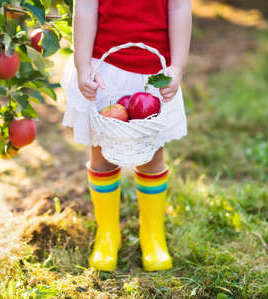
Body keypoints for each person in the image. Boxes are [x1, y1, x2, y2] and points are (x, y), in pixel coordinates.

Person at [61, 0, 192, 271]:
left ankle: (152, 235)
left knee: (151, 153)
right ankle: (108, 234)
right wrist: (82, 64)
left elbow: (179, 7)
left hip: (154, 69)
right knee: (103, 152)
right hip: (105, 68)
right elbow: (84, 6)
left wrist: (177, 66)